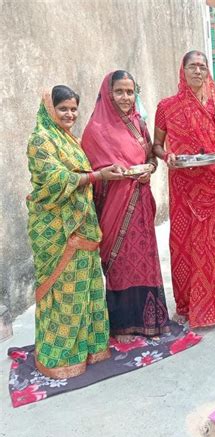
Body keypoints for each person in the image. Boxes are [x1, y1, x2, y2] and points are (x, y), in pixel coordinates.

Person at [27, 85, 122, 378]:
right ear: (50, 109)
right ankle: (60, 356)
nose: (70, 114)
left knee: (87, 288)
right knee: (64, 291)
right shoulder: (40, 139)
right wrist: (97, 175)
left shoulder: (69, 139)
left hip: (81, 225)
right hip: (56, 230)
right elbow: (56, 179)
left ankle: (89, 348)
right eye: (63, 109)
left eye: (73, 109)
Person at [82, 71, 171, 343]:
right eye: (119, 92)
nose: (124, 97)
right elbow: (90, 171)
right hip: (114, 206)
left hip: (140, 203)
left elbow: (150, 159)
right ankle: (121, 325)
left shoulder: (139, 125)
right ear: (108, 94)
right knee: (120, 263)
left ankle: (150, 322)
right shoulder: (95, 129)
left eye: (129, 92)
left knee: (145, 261)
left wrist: (150, 169)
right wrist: (110, 173)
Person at [153, 50, 215, 328]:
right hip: (184, 186)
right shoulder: (167, 107)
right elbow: (156, 145)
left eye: (202, 67)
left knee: (211, 247)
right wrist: (168, 157)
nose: (198, 72)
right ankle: (188, 304)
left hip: (213, 184)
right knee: (185, 246)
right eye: (192, 66)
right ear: (183, 70)